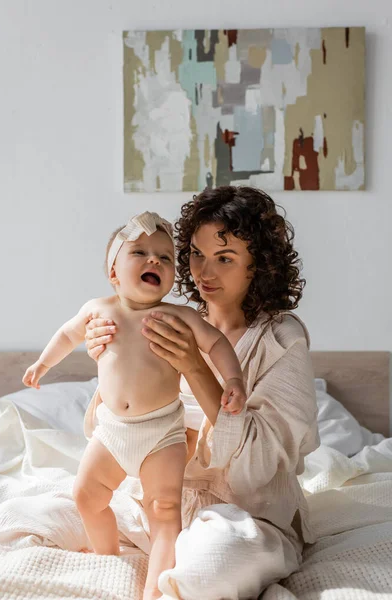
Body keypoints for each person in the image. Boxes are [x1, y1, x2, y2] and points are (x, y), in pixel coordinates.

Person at [85, 186, 320, 600]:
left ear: (257, 266)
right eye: (195, 254)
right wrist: (108, 360)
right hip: (159, 501)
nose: (203, 273)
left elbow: (258, 469)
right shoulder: (168, 320)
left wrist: (196, 368)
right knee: (44, 512)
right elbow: (105, 431)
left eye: (225, 258)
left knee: (210, 566)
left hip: (246, 515)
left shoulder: (282, 339)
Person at [22, 211, 246, 600]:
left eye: (165, 257)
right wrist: (43, 363)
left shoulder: (180, 316)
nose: (154, 260)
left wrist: (234, 380)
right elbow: (66, 334)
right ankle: (108, 555)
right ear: (113, 272)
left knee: (164, 509)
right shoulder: (98, 310)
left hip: (162, 434)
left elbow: (216, 344)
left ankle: (154, 590)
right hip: (111, 433)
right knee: (86, 496)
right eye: (140, 252)